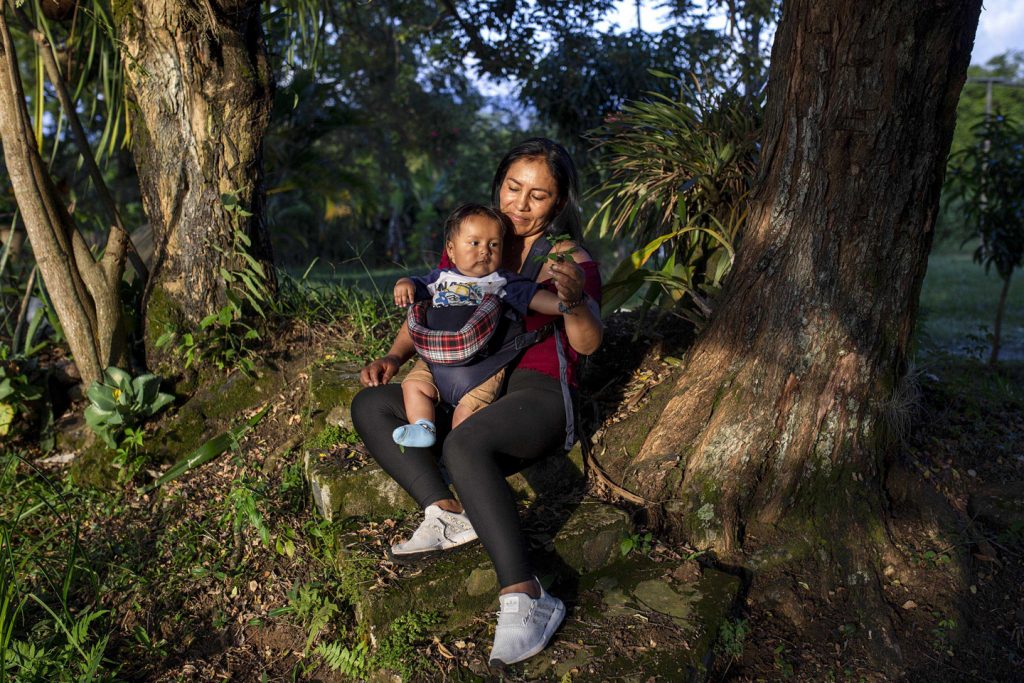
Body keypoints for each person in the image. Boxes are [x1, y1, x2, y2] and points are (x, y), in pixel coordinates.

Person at [352, 138, 602, 667]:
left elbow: (587, 343)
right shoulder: (476, 238)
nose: (520, 204)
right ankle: (445, 513)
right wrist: (394, 357)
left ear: (558, 203)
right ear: (498, 184)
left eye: (538, 195)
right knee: (371, 405)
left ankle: (526, 595)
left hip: (536, 392)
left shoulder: (567, 260)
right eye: (513, 187)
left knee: (464, 444)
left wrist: (575, 298)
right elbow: (433, 302)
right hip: (460, 381)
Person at [390, 202, 561, 449]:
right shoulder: (440, 279)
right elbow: (415, 285)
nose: (485, 251)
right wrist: (403, 283)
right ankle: (424, 427)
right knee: (413, 385)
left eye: (494, 245)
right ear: (451, 249)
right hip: (435, 361)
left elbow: (533, 297)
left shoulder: (501, 281)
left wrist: (562, 304)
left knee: (468, 412)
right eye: (474, 243)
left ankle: (459, 446)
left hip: (483, 367)